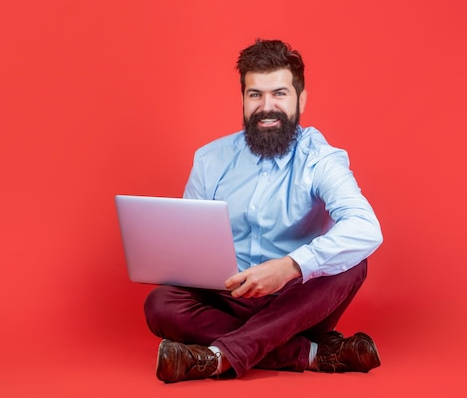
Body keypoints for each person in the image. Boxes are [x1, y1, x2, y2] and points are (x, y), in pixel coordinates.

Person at [144, 39, 383, 383]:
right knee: (159, 304)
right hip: (229, 295)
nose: (266, 106)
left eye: (279, 94)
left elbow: (366, 227)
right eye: (255, 94)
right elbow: (189, 246)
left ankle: (216, 358)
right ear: (242, 98)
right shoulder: (211, 160)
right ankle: (315, 354)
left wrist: (288, 268)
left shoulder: (320, 159)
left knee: (353, 263)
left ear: (301, 99)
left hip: (296, 301)